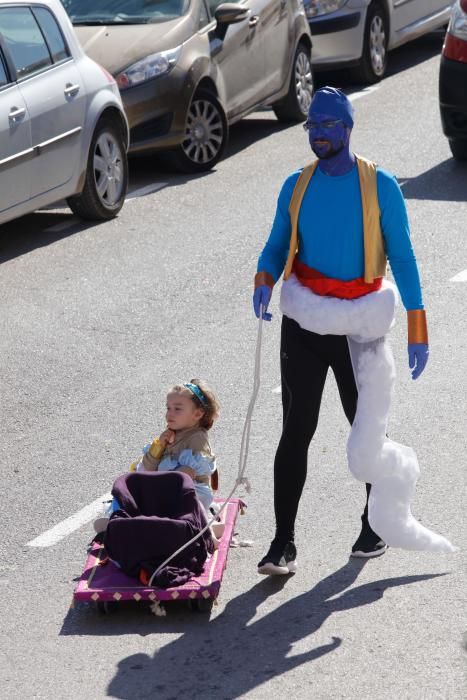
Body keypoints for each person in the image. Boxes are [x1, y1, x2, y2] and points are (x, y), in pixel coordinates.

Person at [253, 86, 434, 576]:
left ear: (348, 128)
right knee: (296, 431)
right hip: (306, 322)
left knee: (367, 432)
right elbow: (275, 246)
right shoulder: (297, 184)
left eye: (326, 127)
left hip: (361, 328)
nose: (316, 136)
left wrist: (417, 323)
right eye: (311, 127)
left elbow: (404, 256)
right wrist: (265, 277)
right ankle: (282, 543)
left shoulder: (381, 187)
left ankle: (373, 526)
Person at [95, 379, 224, 541]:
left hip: (190, 490)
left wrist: (158, 484)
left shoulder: (197, 438)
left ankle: (205, 530)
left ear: (197, 414)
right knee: (129, 487)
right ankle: (119, 519)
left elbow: (187, 475)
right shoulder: (170, 433)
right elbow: (146, 470)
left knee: (186, 504)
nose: (170, 413)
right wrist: (159, 448)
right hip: (165, 486)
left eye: (177, 409)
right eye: (168, 408)